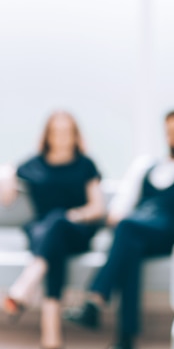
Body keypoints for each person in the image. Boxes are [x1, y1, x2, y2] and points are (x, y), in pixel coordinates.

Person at [64, 109, 174, 349]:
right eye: (170, 130)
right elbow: (120, 208)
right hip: (137, 230)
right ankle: (124, 339)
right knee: (130, 249)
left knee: (128, 230)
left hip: (165, 234)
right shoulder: (146, 167)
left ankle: (95, 299)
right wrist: (116, 217)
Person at [0, 110, 105, 349]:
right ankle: (51, 337)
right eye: (56, 132)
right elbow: (8, 178)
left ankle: (27, 289)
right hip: (43, 235)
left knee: (57, 222)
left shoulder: (85, 165)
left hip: (76, 230)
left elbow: (97, 207)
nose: (61, 137)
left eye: (67, 132)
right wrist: (6, 173)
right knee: (52, 241)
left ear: (75, 135)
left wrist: (74, 215)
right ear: (47, 135)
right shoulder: (33, 164)